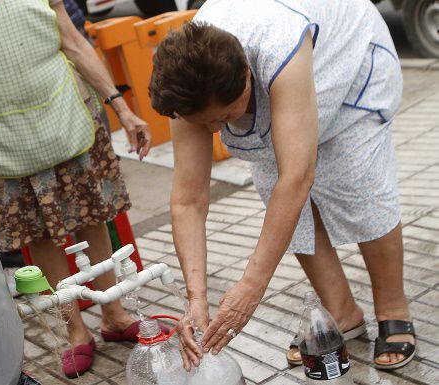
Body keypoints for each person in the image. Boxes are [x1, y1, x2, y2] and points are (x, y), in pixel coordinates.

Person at [149, 0, 416, 372]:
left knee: (357, 184)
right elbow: (189, 200)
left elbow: (297, 178)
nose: (215, 131)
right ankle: (340, 311)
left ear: (246, 75)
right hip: (286, 67)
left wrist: (250, 288)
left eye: (224, 118)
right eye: (205, 123)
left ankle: (392, 307)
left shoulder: (275, 48)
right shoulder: (185, 85)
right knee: (277, 189)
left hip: (347, 57)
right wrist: (196, 298)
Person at [0, 0, 158, 378]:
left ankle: (113, 312)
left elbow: (74, 43)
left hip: (65, 115)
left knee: (92, 217)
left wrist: (121, 108)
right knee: (40, 237)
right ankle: (75, 332)